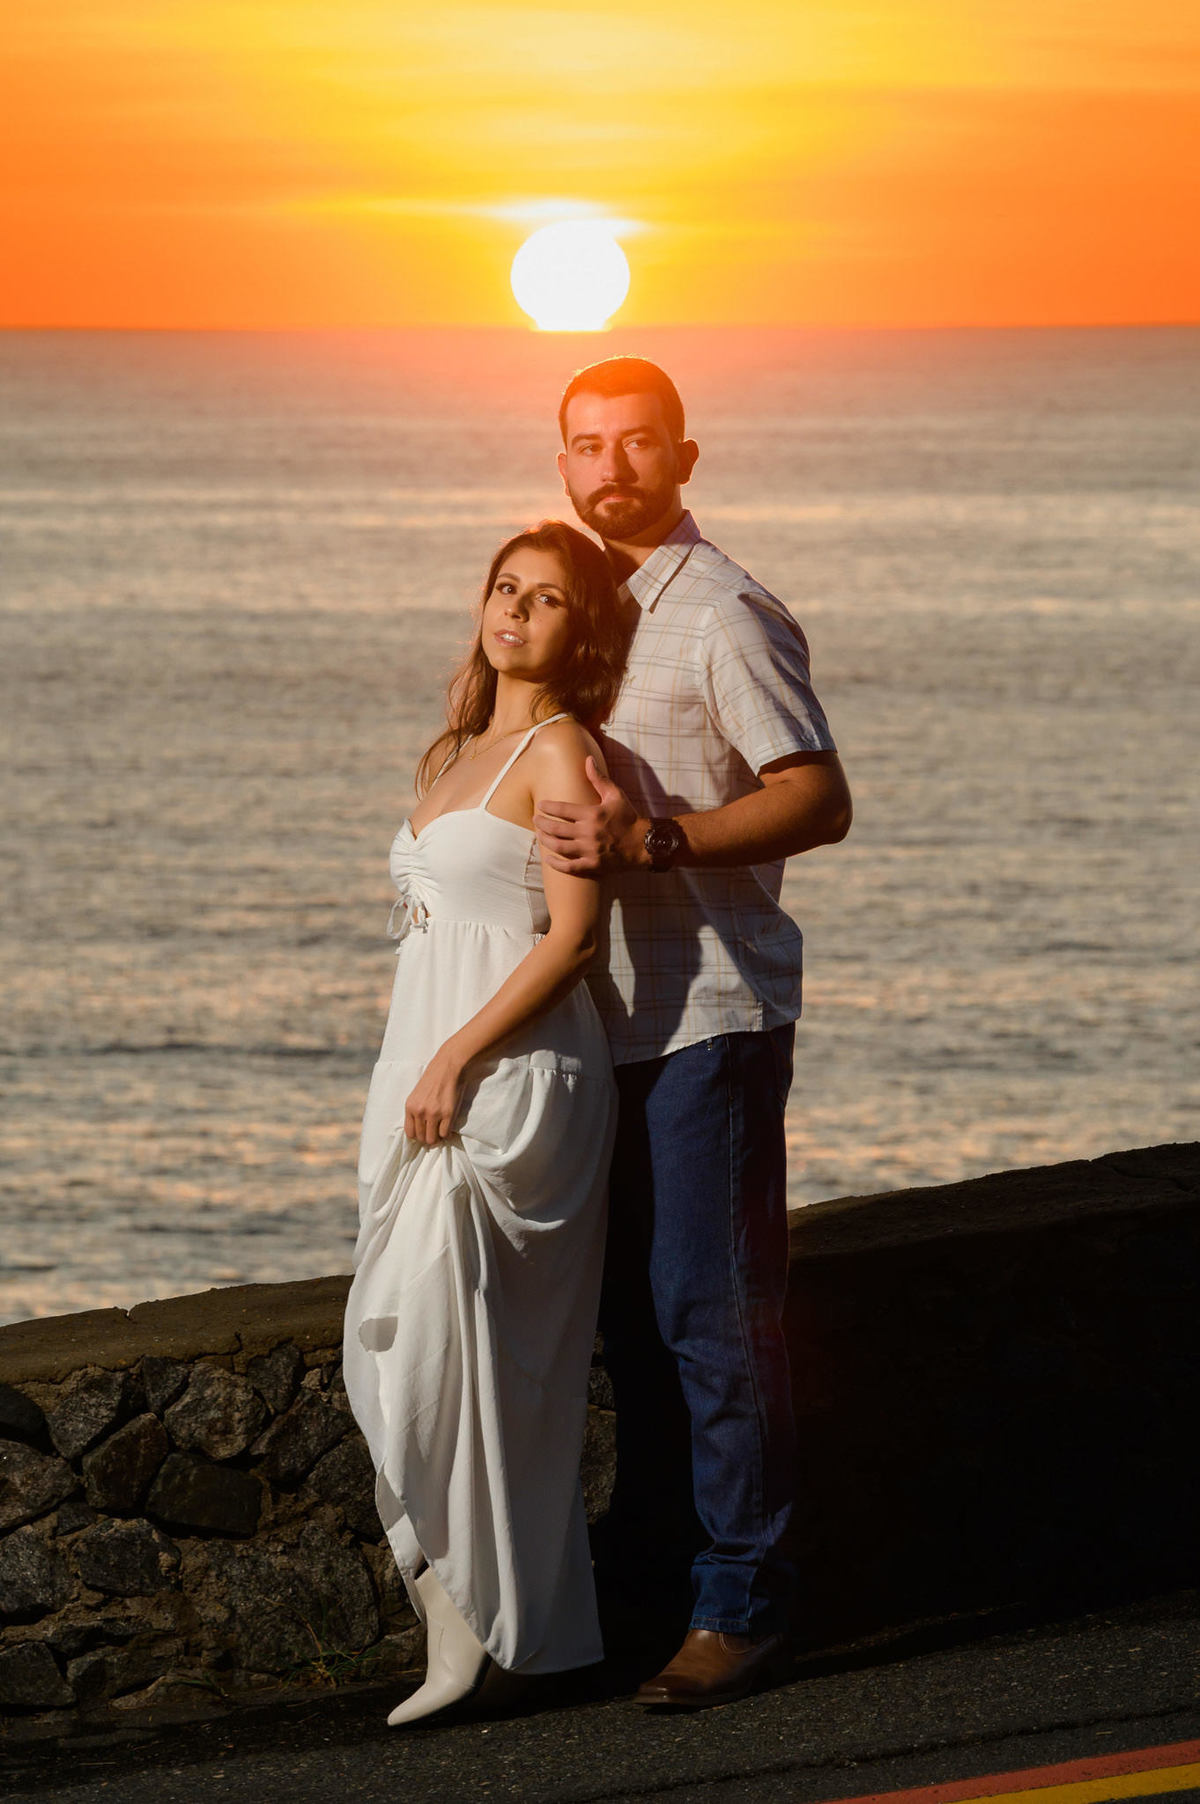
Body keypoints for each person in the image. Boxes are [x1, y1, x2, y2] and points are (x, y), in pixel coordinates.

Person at [535, 357, 853, 1710]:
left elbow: (818, 798)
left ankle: (744, 1605)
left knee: (714, 1319)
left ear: (684, 457)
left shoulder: (722, 612)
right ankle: (654, 1585)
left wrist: (655, 840)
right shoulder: (579, 618)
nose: (611, 467)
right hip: (603, 1022)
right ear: (562, 462)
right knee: (628, 1323)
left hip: (710, 1016)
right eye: (586, 445)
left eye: (637, 443)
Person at [342, 520, 628, 1726]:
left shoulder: (564, 752)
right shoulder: (457, 749)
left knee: (452, 1351)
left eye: (546, 597)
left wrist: (458, 1055)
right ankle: (497, 1628)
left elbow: (576, 939)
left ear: (581, 629)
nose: (514, 609)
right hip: (423, 1066)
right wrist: (424, 1059)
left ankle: (475, 1637)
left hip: (507, 1078)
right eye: (504, 587)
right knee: (410, 1343)